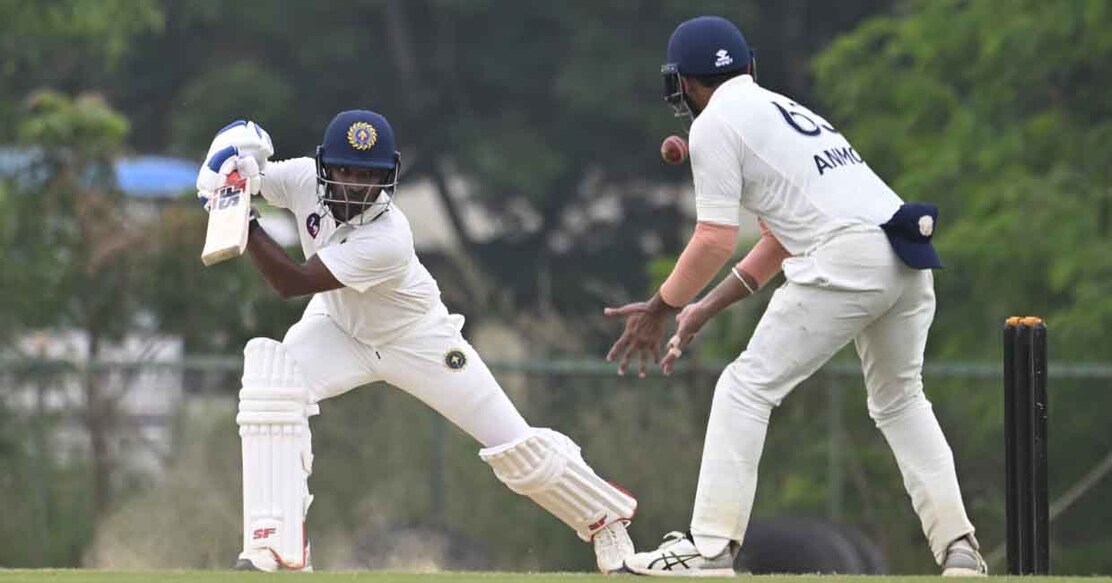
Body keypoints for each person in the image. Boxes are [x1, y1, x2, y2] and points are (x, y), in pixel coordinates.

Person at [603, 16, 986, 577]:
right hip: (907, 254)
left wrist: (659, 308)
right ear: (750, 66)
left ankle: (707, 551)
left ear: (681, 84)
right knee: (901, 401)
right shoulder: (786, 111)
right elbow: (782, 238)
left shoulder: (713, 126)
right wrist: (706, 306)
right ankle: (960, 550)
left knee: (744, 387)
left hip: (851, 255)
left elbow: (713, 240)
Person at [195, 111, 635, 573]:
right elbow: (254, 178)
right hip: (339, 327)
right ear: (326, 167)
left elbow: (291, 282)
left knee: (513, 448)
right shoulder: (303, 177)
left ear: (388, 178)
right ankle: (276, 544)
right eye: (345, 171)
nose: (355, 185)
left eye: (369, 176)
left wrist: (242, 218)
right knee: (273, 382)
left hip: (416, 338)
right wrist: (233, 173)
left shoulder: (389, 237)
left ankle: (606, 521)